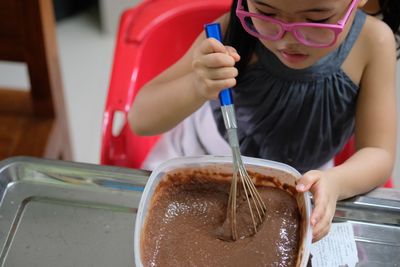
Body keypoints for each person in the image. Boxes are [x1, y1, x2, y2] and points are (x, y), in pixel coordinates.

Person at [128, 0, 399, 242]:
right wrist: (197, 86)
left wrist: (336, 182)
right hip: (197, 164)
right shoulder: (228, 34)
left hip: (303, 183)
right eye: (266, 12)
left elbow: (379, 153)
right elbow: (141, 119)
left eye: (316, 19)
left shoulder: (373, 43)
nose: (289, 39)